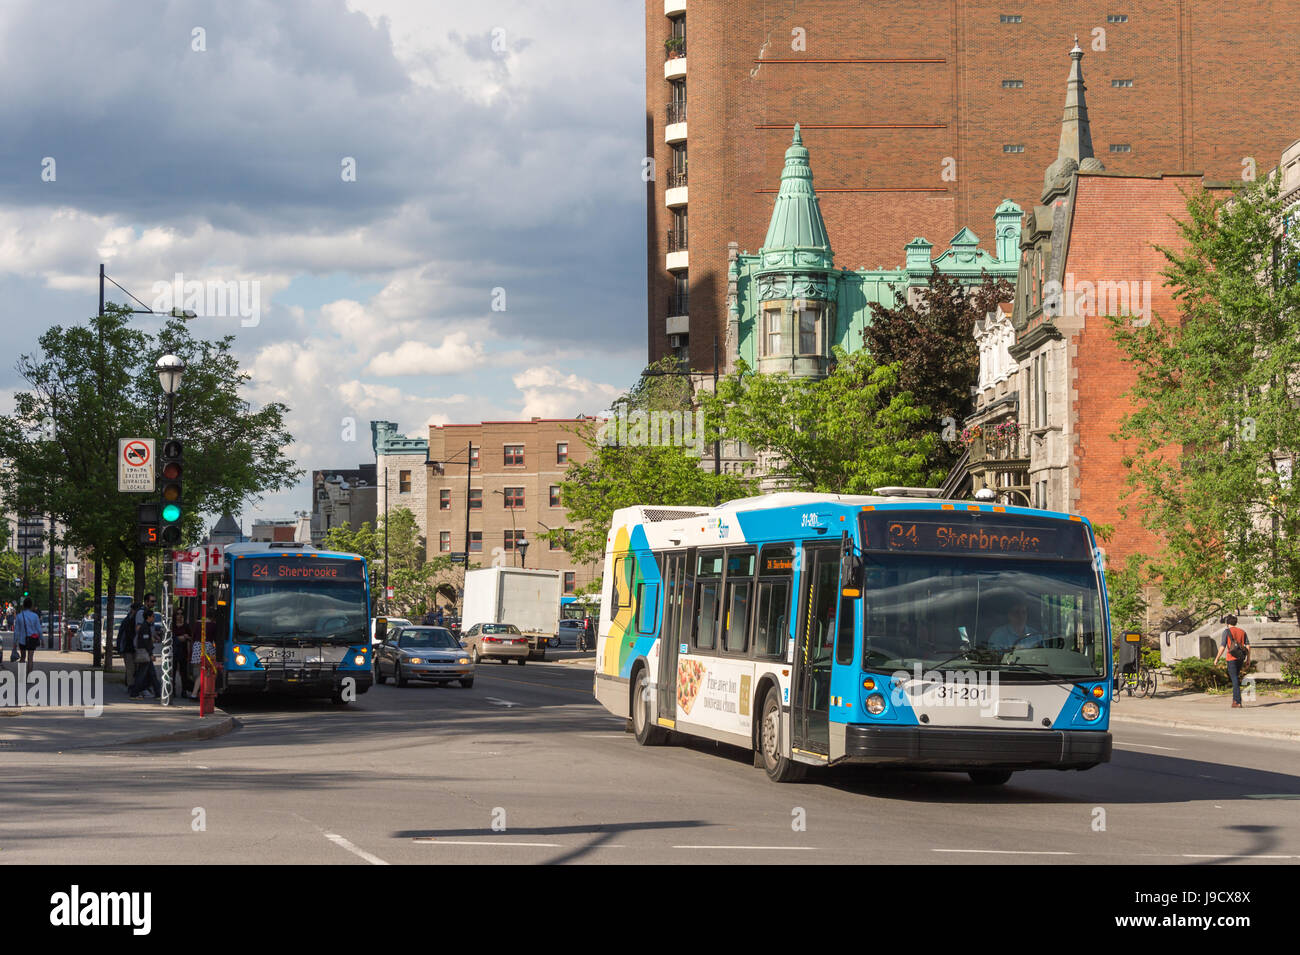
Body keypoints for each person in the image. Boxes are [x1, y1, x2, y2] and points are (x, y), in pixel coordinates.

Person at [1213, 614, 1251, 708]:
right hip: (1241, 658)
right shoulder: (1242, 631)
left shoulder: (1226, 632)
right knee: (1235, 678)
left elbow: (1222, 646)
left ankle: (1237, 701)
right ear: (1235, 622)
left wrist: (1217, 658)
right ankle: (1235, 700)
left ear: (1227, 623)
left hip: (1231, 658)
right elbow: (1248, 646)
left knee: (1234, 679)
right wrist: (1248, 659)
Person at [128, 608, 161, 700]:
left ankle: (158, 693)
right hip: (145, 654)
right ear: (148, 617)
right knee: (141, 675)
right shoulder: (145, 627)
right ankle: (134, 693)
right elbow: (146, 642)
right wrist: (150, 653)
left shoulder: (145, 626)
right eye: (153, 616)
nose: (154, 618)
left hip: (145, 654)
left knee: (152, 674)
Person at [117, 601, 142, 686]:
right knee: (131, 669)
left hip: (130, 648)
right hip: (130, 648)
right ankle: (132, 687)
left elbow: (121, 635)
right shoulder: (129, 621)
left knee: (131, 669)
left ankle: (131, 685)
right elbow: (122, 635)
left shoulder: (127, 620)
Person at [171, 609, 194, 697]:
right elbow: (169, 638)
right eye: (178, 614)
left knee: (183, 672)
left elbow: (191, 637)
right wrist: (178, 638)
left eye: (181, 614)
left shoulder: (186, 626)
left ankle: (184, 691)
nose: (180, 616)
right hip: (174, 651)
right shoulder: (172, 626)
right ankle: (172, 690)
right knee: (172, 671)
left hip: (183, 651)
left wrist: (187, 637)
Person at [13, 598, 41, 666]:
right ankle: (29, 676)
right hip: (32, 639)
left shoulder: (19, 616)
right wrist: (42, 639)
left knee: (22, 658)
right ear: (31, 606)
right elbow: (38, 629)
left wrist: (15, 642)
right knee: (30, 658)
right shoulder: (35, 616)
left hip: (22, 640)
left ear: (23, 606)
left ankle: (21, 675)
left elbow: (16, 631)